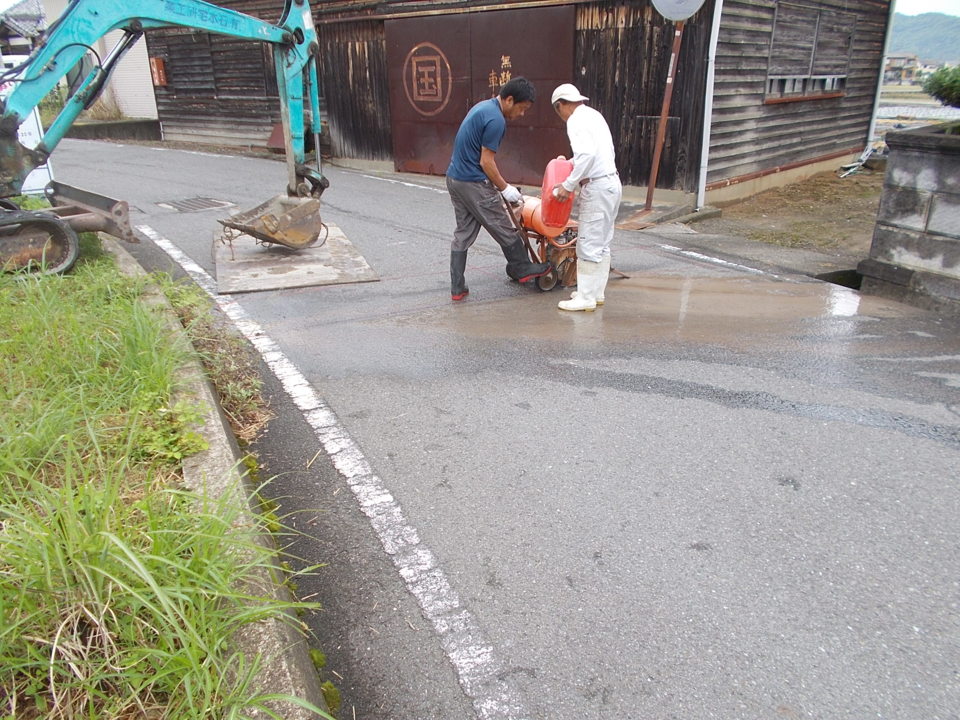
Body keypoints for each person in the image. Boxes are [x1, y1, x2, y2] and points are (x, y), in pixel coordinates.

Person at [446, 77, 551, 301]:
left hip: (455, 179)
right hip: (473, 182)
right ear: (510, 100)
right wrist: (505, 189)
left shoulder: (482, 107)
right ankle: (522, 268)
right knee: (503, 225)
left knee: (463, 233)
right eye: (522, 109)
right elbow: (486, 162)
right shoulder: (496, 120)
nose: (521, 114)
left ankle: (458, 288)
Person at [550, 83, 622, 312]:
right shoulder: (594, 115)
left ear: (560, 105)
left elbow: (588, 155)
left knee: (588, 244)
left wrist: (568, 185)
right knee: (602, 243)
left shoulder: (575, 121)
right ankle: (595, 293)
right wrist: (570, 164)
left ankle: (585, 297)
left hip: (597, 186)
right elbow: (597, 154)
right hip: (611, 182)